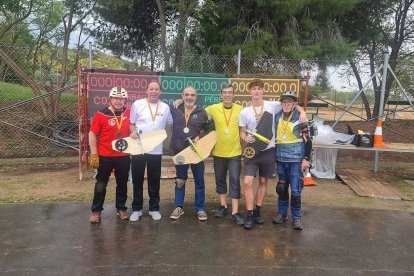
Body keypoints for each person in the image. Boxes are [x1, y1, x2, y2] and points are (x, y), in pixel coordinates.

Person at [239, 78, 306, 230]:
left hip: (269, 151)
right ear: (250, 91)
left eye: (259, 88)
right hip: (252, 151)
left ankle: (257, 211)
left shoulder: (272, 105)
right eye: (253, 88)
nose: (256, 91)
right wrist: (245, 137)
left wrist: (302, 112)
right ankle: (249, 214)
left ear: (263, 90)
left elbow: (291, 104)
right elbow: (242, 131)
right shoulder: (245, 111)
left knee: (263, 183)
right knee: (248, 182)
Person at [129, 80, 173, 222]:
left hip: (156, 150)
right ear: (146, 90)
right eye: (151, 89)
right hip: (139, 149)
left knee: (154, 180)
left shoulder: (165, 107)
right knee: (137, 179)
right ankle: (137, 209)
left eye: (156, 89)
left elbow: (171, 123)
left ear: (160, 92)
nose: (154, 91)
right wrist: (133, 131)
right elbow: (131, 124)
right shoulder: (138, 104)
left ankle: (154, 208)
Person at [169, 86, 213, 221]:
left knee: (199, 181)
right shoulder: (174, 108)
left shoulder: (202, 112)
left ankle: (200, 209)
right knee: (180, 180)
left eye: (192, 95)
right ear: (182, 96)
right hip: (180, 151)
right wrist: (176, 101)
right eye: (186, 95)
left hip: (197, 153)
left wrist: (201, 136)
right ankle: (178, 207)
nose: (189, 97)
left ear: (196, 97)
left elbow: (210, 130)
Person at [89, 87, 131, 223]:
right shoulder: (101, 114)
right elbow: (92, 134)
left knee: (122, 183)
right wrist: (94, 154)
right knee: (101, 183)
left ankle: (121, 208)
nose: (118, 101)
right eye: (115, 98)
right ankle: (96, 211)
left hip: (123, 155)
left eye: (121, 98)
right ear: (110, 99)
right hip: (105, 155)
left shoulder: (129, 112)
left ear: (125, 100)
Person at [205, 84, 244, 225]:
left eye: (230, 93)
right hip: (218, 153)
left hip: (234, 153)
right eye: (225, 93)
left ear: (234, 95)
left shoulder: (240, 110)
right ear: (221, 94)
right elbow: (196, 111)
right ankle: (223, 206)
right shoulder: (213, 108)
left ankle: (235, 212)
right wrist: (179, 101)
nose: (227, 95)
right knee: (220, 179)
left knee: (234, 180)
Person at [273, 91, 311, 230]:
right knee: (282, 189)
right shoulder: (277, 117)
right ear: (281, 103)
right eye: (284, 102)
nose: (286, 104)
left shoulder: (300, 118)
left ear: (294, 104)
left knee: (296, 190)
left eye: (289, 102)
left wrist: (306, 159)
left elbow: (308, 140)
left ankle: (296, 217)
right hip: (281, 159)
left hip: (296, 160)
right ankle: (282, 214)